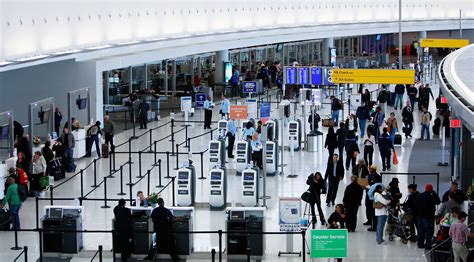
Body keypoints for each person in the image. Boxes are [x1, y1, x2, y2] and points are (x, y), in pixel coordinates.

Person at [414, 183, 441, 249]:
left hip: (420, 217)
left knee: (421, 231)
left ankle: (420, 244)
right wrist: (434, 194)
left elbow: (414, 203)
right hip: (429, 217)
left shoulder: (419, 196)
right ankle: (428, 246)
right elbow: (438, 201)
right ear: (431, 190)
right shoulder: (431, 197)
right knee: (429, 231)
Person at [365, 165, 382, 231]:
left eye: (370, 168)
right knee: (368, 207)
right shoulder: (369, 175)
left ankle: (373, 225)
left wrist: (370, 187)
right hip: (368, 194)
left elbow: (377, 186)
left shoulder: (378, 177)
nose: (369, 169)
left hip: (373, 196)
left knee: (372, 210)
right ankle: (369, 220)